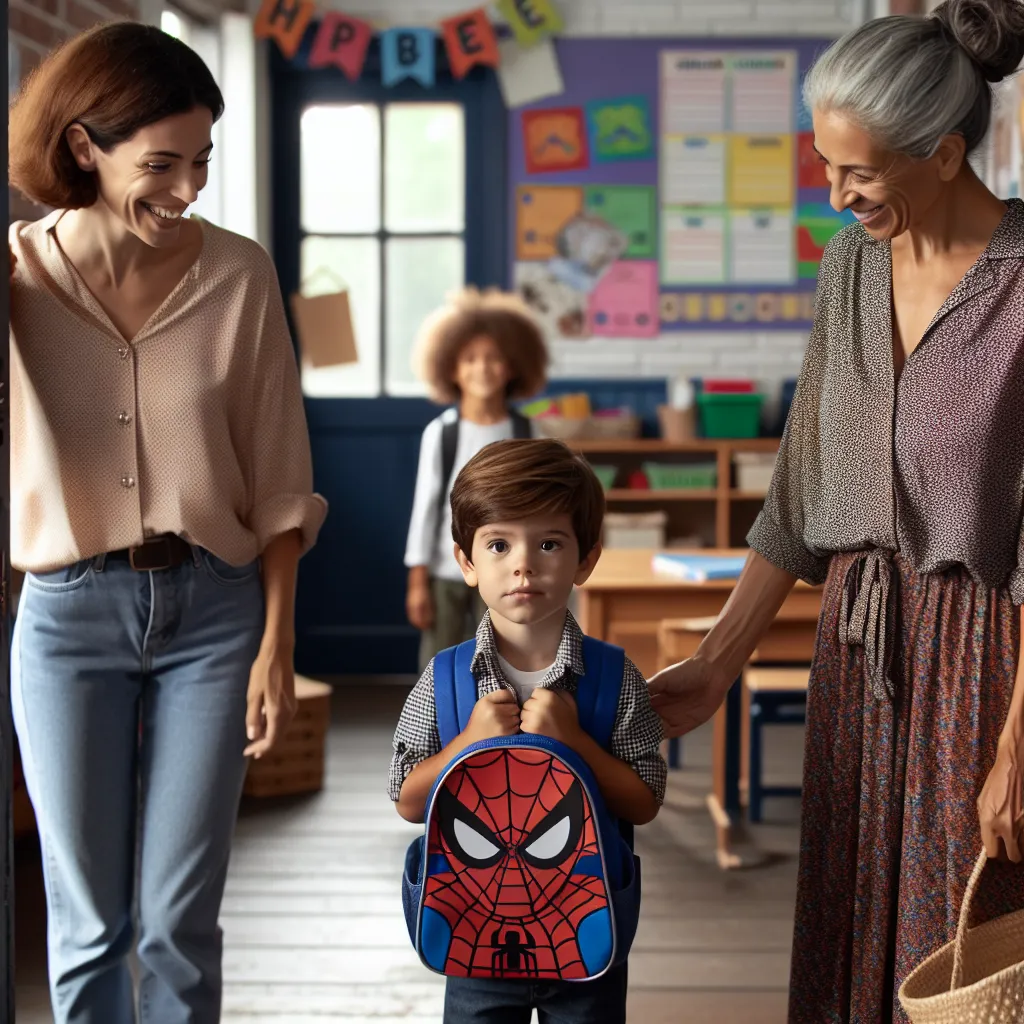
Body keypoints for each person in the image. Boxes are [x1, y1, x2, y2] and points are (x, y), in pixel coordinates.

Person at [648, 2, 1024, 1021]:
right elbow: (799, 488)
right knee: (844, 925)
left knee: (958, 953)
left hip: (983, 664)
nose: (833, 193)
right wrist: (716, 663)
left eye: (857, 171)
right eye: (824, 163)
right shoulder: (849, 267)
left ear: (943, 153)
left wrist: (1018, 745)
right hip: (858, 656)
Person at [8, 23, 327, 1023]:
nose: (187, 188)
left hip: (214, 613)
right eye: (161, 164)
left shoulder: (239, 275)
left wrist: (277, 643)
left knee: (177, 921)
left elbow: (279, 476)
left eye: (202, 161)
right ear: (83, 147)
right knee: (87, 920)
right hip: (66, 616)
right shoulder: (17, 279)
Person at [390, 438, 666, 1023]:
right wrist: (467, 744)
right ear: (466, 563)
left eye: (549, 543)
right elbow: (408, 801)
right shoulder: (444, 680)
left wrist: (575, 745)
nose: (523, 564)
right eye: (499, 544)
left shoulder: (616, 678)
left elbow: (644, 802)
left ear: (586, 560)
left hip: (588, 932)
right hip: (473, 937)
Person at [404, 288, 548, 670]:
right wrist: (417, 582)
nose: (482, 368)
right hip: (446, 572)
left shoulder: (528, 431)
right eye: (469, 359)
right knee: (440, 666)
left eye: (494, 358)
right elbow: (425, 510)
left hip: (508, 573)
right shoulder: (442, 434)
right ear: (450, 368)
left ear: (513, 366)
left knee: (505, 663)